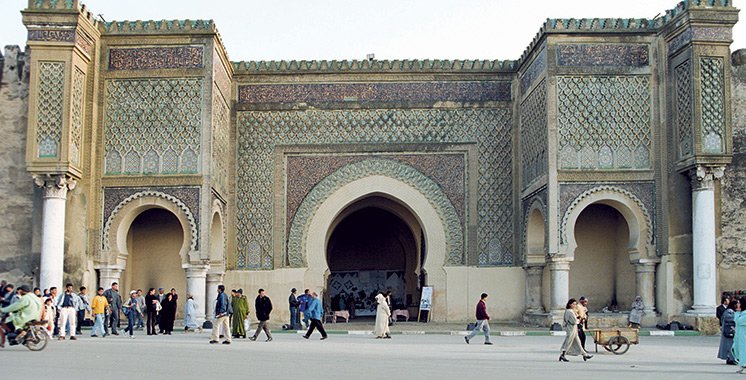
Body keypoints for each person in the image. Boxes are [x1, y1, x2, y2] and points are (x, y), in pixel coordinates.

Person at [718, 299, 738, 365]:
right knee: (730, 345)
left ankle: (730, 358)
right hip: (728, 331)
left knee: (730, 345)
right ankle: (731, 359)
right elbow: (729, 318)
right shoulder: (729, 311)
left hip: (729, 331)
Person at [734, 298, 746, 374]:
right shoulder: (741, 313)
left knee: (743, 351)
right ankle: (742, 365)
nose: (737, 305)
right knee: (737, 350)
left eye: (739, 303)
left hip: (744, 336)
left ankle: (743, 365)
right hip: (739, 335)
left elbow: (738, 321)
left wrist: (737, 313)